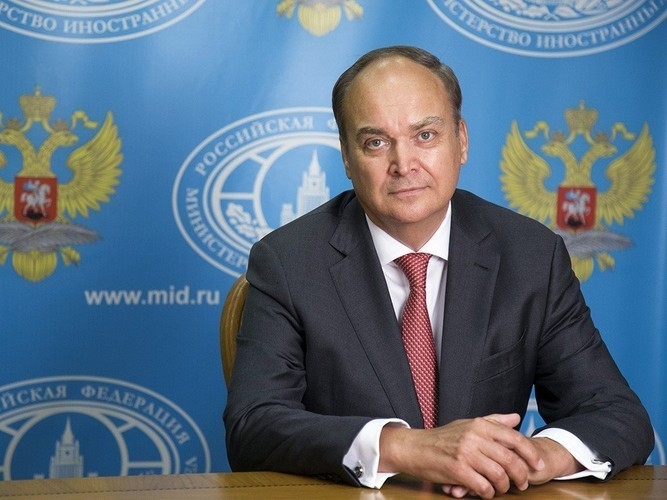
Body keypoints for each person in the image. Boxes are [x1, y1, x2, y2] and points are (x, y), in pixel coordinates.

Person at [223, 45, 653, 498]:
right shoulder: (288, 262)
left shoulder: (531, 256)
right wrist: (405, 448)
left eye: (425, 135)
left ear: (461, 141)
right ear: (347, 157)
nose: (404, 165)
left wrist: (534, 457)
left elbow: (617, 414)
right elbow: (253, 426)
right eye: (375, 142)